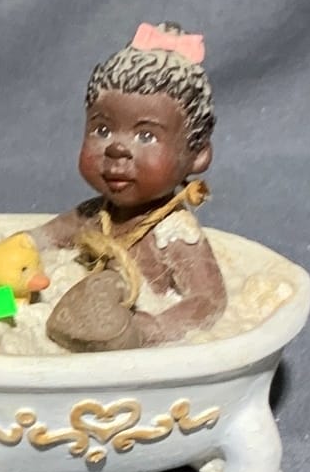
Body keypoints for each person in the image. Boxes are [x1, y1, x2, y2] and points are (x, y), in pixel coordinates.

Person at [39, 23, 226, 353]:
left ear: (197, 155)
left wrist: (148, 329)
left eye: (146, 136)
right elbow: (45, 237)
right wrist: (19, 248)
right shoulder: (96, 215)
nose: (117, 149)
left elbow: (208, 300)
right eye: (102, 130)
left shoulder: (173, 234)